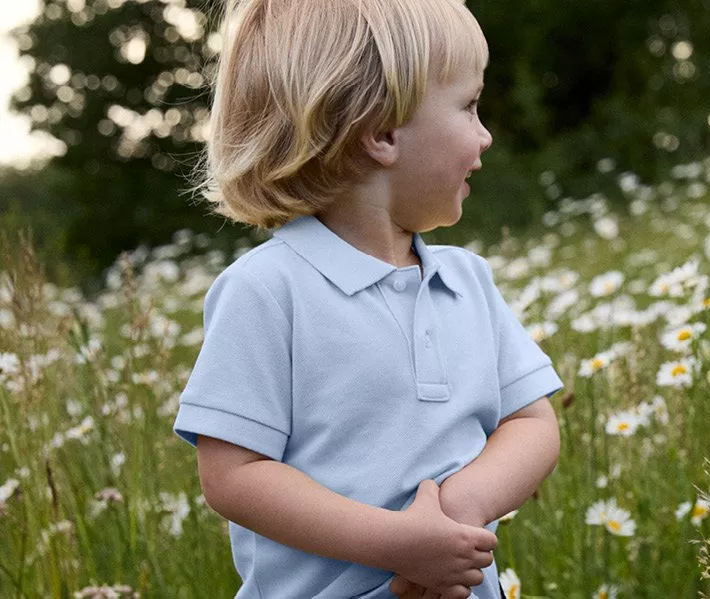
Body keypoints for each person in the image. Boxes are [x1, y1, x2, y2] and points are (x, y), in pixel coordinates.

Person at [170, 0, 563, 597]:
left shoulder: (468, 282)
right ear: (381, 133)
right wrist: (397, 543)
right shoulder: (269, 289)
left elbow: (532, 422)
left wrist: (458, 508)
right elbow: (234, 475)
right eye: (469, 105)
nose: (485, 135)